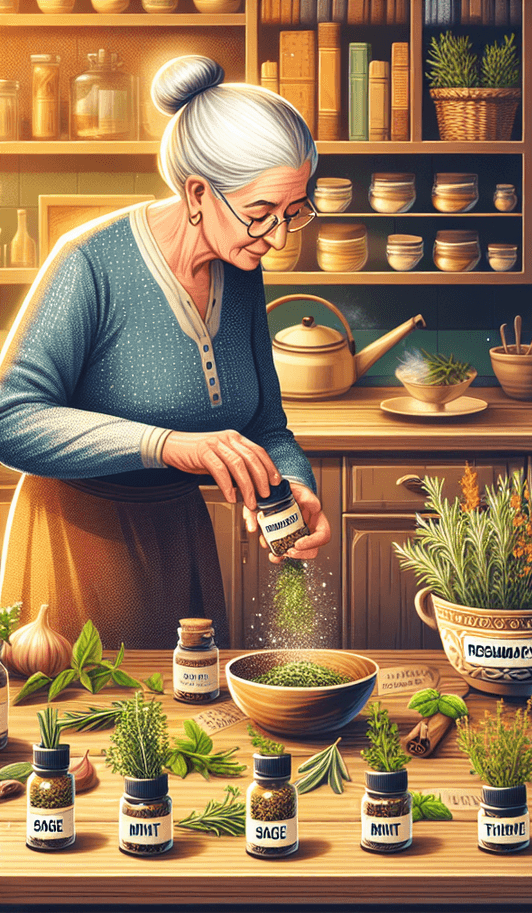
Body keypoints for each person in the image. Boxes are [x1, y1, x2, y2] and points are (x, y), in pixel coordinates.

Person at [0, 55, 331, 649]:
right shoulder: (91, 262)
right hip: (76, 549)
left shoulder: (241, 268)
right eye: (261, 214)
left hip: (181, 545)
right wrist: (168, 444)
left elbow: (265, 424)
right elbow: (10, 420)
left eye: (293, 212)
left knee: (191, 699)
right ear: (198, 191)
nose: (279, 238)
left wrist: (293, 483)